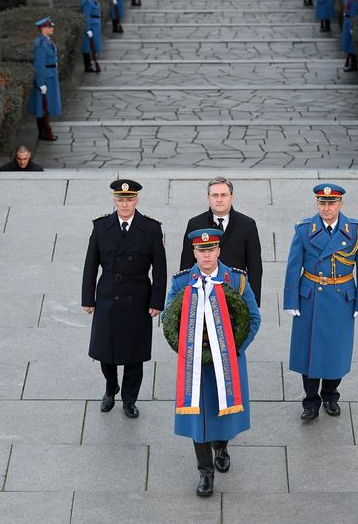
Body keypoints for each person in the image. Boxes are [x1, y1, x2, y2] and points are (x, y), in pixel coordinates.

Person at [166, 229, 261, 497]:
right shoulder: (182, 283)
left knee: (224, 409)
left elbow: (253, 318)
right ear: (194, 253)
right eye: (201, 251)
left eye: (211, 250)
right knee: (198, 414)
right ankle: (205, 472)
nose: (206, 255)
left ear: (218, 251)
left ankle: (221, 445)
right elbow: (170, 321)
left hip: (227, 361)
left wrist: (233, 349)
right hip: (195, 364)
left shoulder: (236, 281)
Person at [283, 184, 358, 421]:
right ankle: (311, 401)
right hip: (311, 297)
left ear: (340, 204)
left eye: (331, 203)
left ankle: (331, 396)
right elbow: (293, 268)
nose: (326, 208)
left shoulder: (355, 231)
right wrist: (291, 300)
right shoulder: (304, 230)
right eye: (322, 203)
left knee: (336, 351)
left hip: (341, 298)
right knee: (308, 353)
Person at [81, 180, 167, 419]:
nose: (125, 204)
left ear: (136, 200)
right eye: (121, 199)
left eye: (129, 200)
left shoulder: (150, 228)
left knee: (134, 354)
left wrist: (156, 302)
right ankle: (111, 388)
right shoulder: (101, 227)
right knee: (104, 351)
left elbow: (159, 269)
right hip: (108, 294)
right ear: (114, 200)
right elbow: (91, 265)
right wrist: (88, 298)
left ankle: (129, 399)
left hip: (138, 296)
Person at [180, 177, 263, 306]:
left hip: (236, 295)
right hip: (202, 295)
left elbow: (255, 267)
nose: (219, 199)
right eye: (215, 195)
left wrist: (253, 302)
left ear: (231, 196)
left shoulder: (247, 225)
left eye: (224, 195)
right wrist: (185, 299)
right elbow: (186, 264)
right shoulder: (195, 224)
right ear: (208, 198)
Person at [26, 17, 61, 142]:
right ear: (43, 29)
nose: (52, 28)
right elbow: (39, 65)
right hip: (45, 78)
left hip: (50, 75)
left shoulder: (46, 41)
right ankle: (44, 133)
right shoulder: (41, 44)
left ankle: (44, 132)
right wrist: (41, 83)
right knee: (42, 107)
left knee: (45, 106)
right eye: (49, 27)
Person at [81, 0, 102, 73]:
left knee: (92, 45)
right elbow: (86, 16)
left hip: (95, 25)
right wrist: (88, 29)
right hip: (91, 26)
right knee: (87, 46)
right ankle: (87, 65)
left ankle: (90, 63)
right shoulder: (87, 1)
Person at [341, 0, 358, 72]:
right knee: (349, 45)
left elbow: (353, 15)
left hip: (349, 22)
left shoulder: (354, 0)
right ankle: (351, 63)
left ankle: (353, 65)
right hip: (347, 21)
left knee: (351, 46)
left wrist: (352, 27)